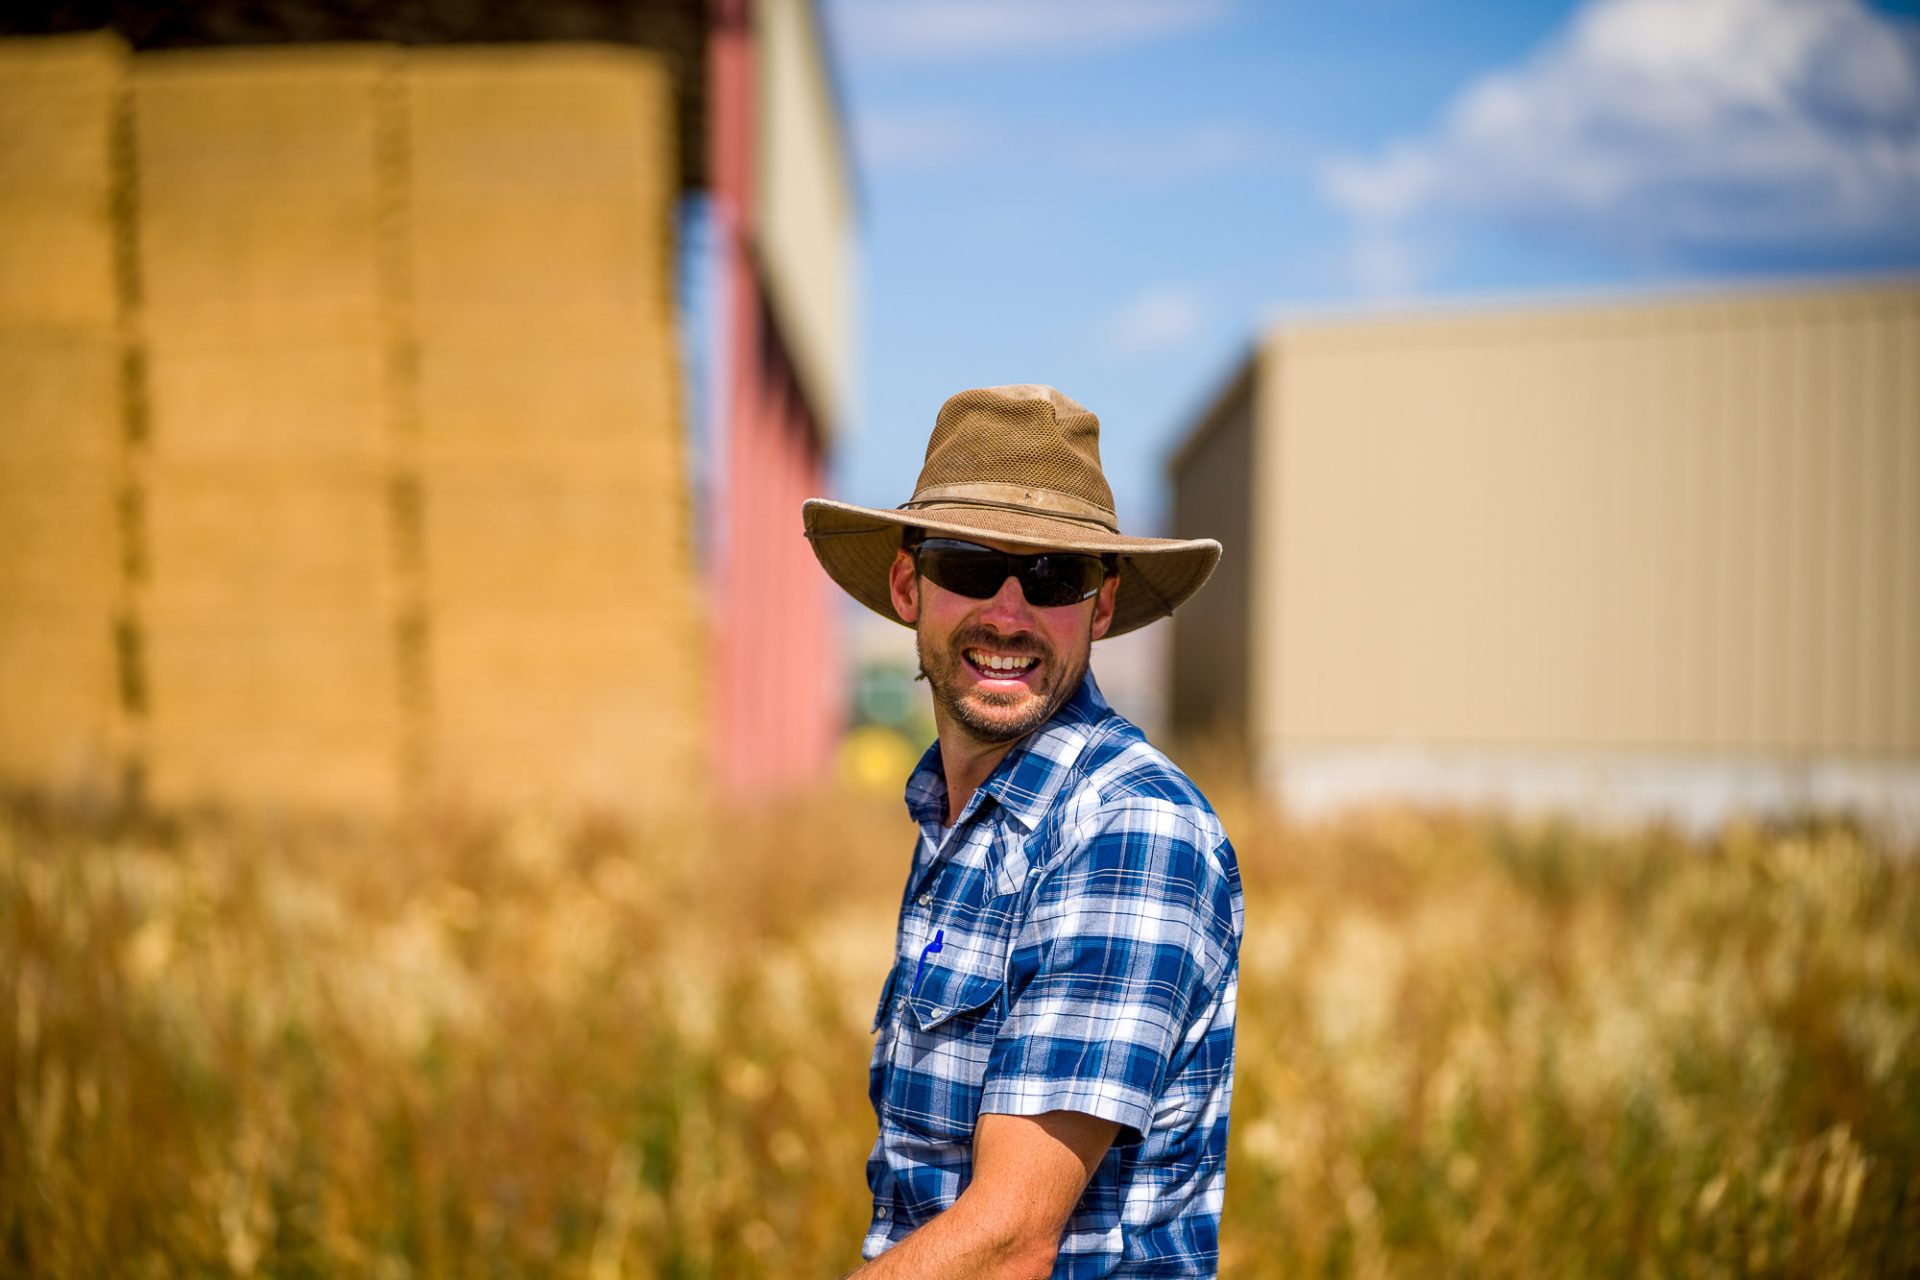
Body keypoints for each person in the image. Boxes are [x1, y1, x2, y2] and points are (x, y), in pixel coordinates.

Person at [803, 384, 1244, 1278]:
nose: (1008, 613)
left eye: (1052, 576)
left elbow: (1010, 1241)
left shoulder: (1129, 827)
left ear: (1102, 607)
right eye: (969, 564)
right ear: (906, 586)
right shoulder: (961, 818)